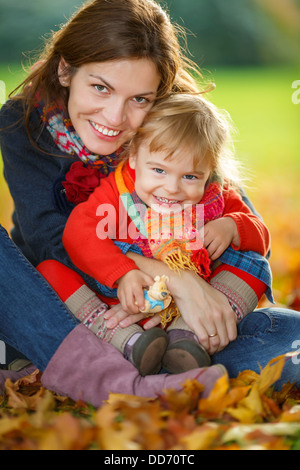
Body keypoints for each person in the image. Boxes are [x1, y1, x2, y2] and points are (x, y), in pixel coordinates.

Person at [0, 0, 299, 401]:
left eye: (140, 99)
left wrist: (188, 297)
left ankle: (163, 361)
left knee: (290, 334)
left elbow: (242, 222)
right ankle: (118, 377)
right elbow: (51, 242)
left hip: (176, 322)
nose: (115, 116)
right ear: (66, 69)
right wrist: (178, 281)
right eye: (100, 87)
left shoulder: (175, 122)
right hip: (71, 308)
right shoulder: (22, 123)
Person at [39, 93, 270, 376]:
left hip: (192, 308)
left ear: (209, 173)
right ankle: (129, 344)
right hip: (121, 304)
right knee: (49, 271)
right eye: (159, 170)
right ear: (134, 157)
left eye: (190, 176)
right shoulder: (119, 191)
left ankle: (187, 340)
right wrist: (123, 273)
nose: (172, 188)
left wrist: (233, 225)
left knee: (255, 266)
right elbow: (78, 231)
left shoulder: (215, 196)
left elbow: (261, 237)